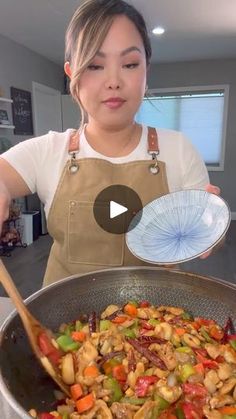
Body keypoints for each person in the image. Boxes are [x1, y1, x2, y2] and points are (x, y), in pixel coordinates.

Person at [0, 0, 220, 286]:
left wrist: (211, 227)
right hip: (63, 324)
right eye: (94, 65)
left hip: (160, 324)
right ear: (72, 76)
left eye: (129, 64)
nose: (114, 81)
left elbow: (208, 227)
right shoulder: (47, 152)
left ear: (146, 71)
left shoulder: (179, 150)